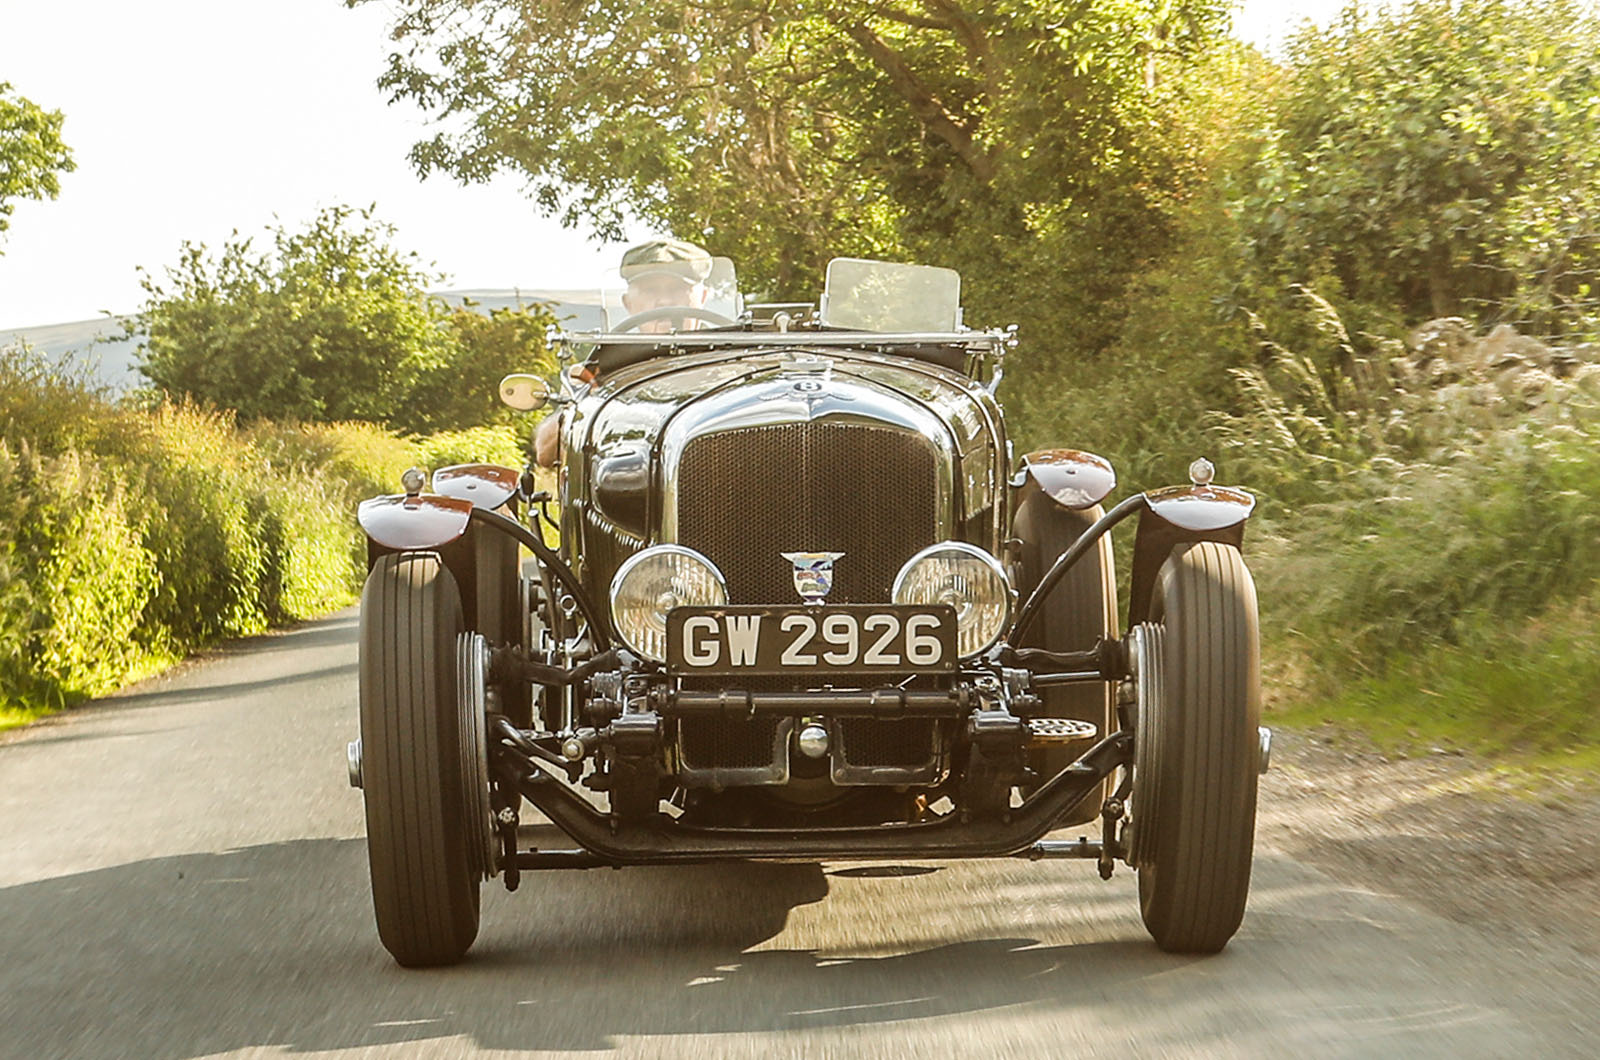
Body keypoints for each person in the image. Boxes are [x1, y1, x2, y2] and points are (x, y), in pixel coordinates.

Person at [534, 238, 714, 466]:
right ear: (628, 303)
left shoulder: (735, 363)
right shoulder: (601, 369)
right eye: (650, 290)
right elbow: (546, 454)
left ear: (703, 297)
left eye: (678, 289)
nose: (665, 300)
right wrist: (583, 403)